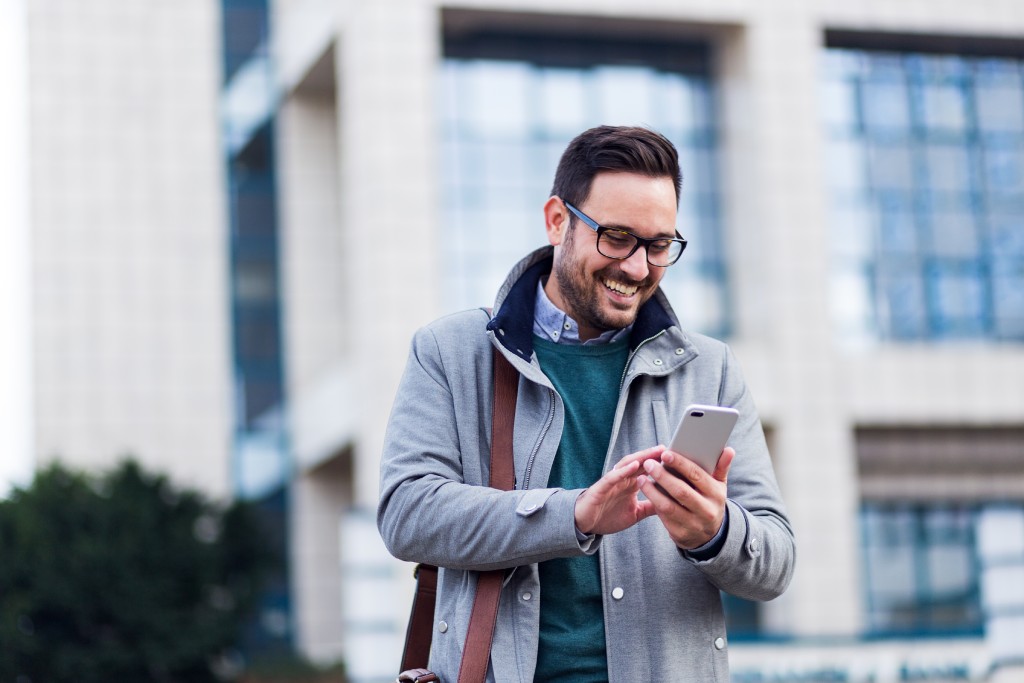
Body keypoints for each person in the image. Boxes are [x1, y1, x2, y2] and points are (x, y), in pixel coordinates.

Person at [378, 125, 795, 682]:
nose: (638, 267)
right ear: (557, 220)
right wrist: (574, 515)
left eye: (659, 245)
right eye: (617, 237)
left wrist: (714, 532)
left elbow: (776, 563)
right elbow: (408, 513)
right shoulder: (450, 352)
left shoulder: (709, 369)